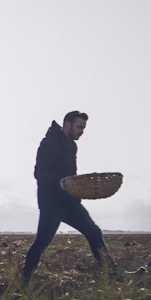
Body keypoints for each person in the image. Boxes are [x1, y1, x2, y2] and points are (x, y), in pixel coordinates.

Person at [21, 111, 116, 282]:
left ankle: (112, 275)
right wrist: (61, 181)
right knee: (42, 241)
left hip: (71, 202)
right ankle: (23, 279)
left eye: (84, 128)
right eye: (80, 127)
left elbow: (70, 173)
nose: (82, 131)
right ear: (67, 124)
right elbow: (39, 174)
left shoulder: (72, 146)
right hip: (52, 203)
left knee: (94, 232)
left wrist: (77, 185)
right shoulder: (48, 143)